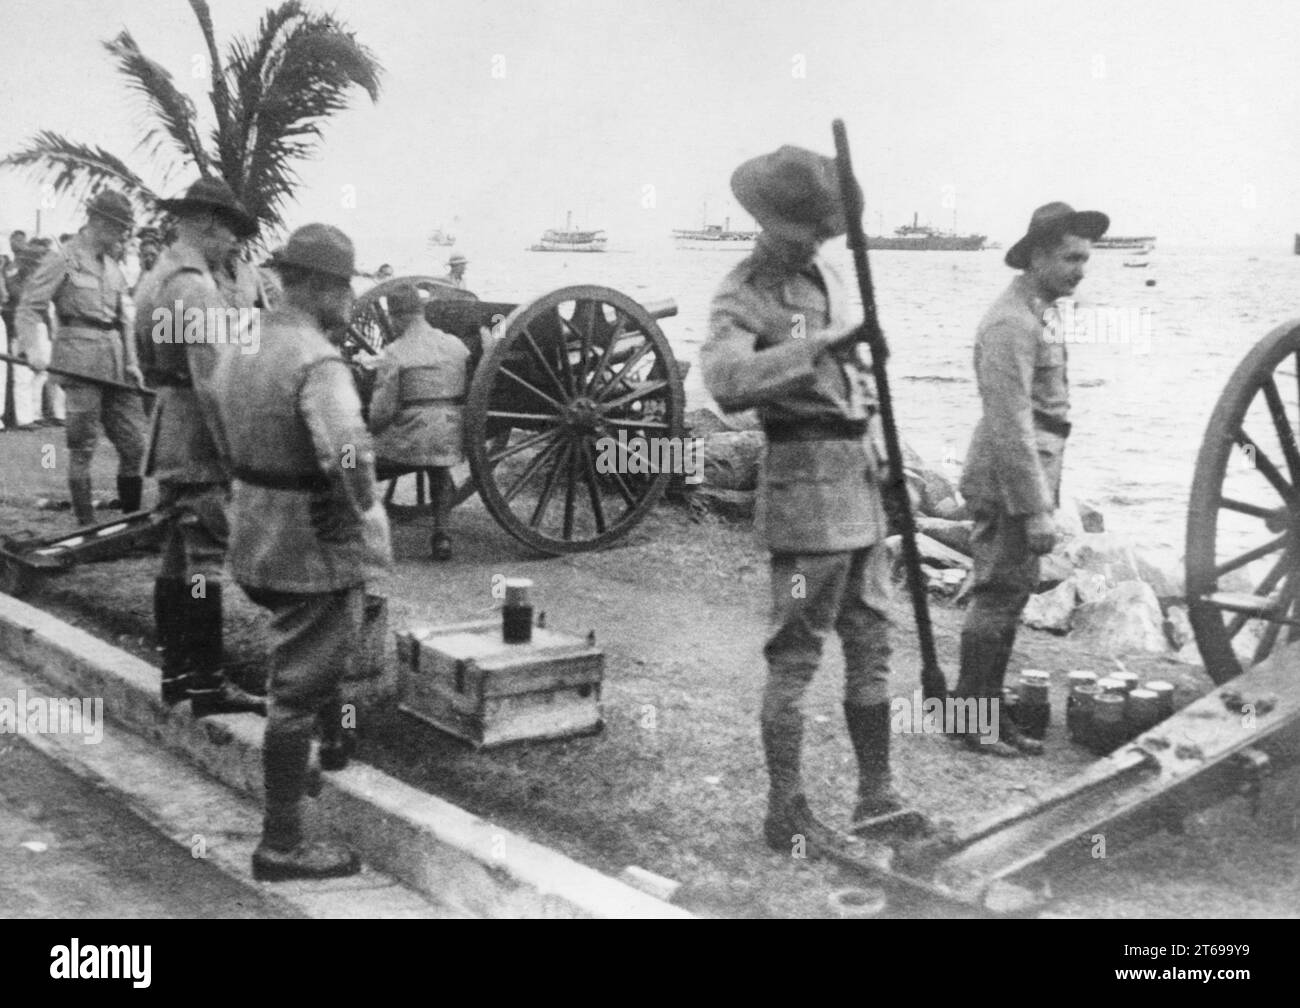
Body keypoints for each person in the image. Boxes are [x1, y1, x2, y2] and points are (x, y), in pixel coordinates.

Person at [701, 145, 909, 859]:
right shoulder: (743, 292)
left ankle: (876, 796)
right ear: (767, 221)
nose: (819, 241)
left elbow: (854, 375)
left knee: (873, 639)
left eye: (825, 228)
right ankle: (785, 810)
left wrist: (878, 444)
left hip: (856, 480)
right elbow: (724, 383)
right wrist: (821, 345)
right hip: (803, 492)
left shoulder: (829, 271)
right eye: (807, 229)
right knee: (796, 654)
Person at [210, 223, 391, 881]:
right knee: (300, 686)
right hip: (311, 547)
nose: (350, 298)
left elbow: (217, 424)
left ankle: (305, 763)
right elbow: (349, 455)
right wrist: (357, 506)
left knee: (297, 667)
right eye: (344, 285)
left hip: (255, 532)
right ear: (317, 285)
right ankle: (282, 842)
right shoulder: (318, 360)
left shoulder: (245, 342)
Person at [954, 201, 1108, 757]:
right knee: (997, 595)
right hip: (1008, 475)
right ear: (1038, 255)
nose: (1081, 269)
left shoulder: (1038, 309)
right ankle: (970, 720)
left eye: (1085, 258)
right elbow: (1010, 420)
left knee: (1012, 593)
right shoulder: (1011, 321)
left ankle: (988, 713)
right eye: (1071, 257)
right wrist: (1036, 508)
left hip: (1028, 469)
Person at [133, 177, 266, 716]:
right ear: (209, 225)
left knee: (175, 557)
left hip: (170, 424)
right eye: (231, 234)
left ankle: (177, 674)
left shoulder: (159, 274)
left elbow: (148, 360)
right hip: (197, 435)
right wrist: (236, 452)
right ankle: (210, 685)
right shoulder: (194, 286)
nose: (235, 245)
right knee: (206, 559)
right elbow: (212, 381)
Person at [15, 192, 145, 522]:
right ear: (99, 222)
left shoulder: (113, 266)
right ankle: (86, 523)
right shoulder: (64, 258)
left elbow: (124, 319)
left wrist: (131, 362)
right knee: (82, 447)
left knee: (134, 446)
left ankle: (131, 520)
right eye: (119, 228)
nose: (123, 236)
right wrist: (34, 351)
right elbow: (30, 308)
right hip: (79, 363)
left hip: (115, 366)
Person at [368, 282, 470, 560]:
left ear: (397, 317)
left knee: (350, 458)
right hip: (449, 433)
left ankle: (352, 530)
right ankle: (441, 534)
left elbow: (382, 412)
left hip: (410, 437)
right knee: (438, 467)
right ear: (421, 311)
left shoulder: (395, 353)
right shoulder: (456, 346)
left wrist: (365, 432)